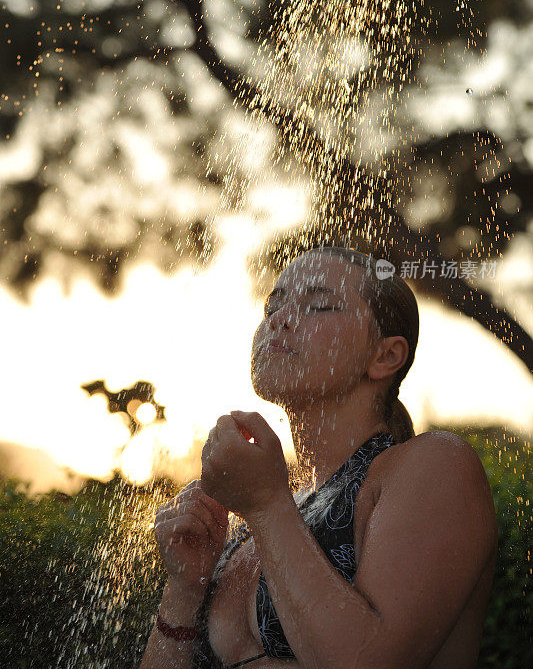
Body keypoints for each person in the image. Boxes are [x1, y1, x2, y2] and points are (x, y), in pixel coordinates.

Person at [140, 246, 498, 669]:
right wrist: (185, 588)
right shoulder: (260, 522)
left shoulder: (434, 466)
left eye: (320, 305)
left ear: (385, 357)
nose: (279, 318)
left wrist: (266, 504)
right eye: (273, 304)